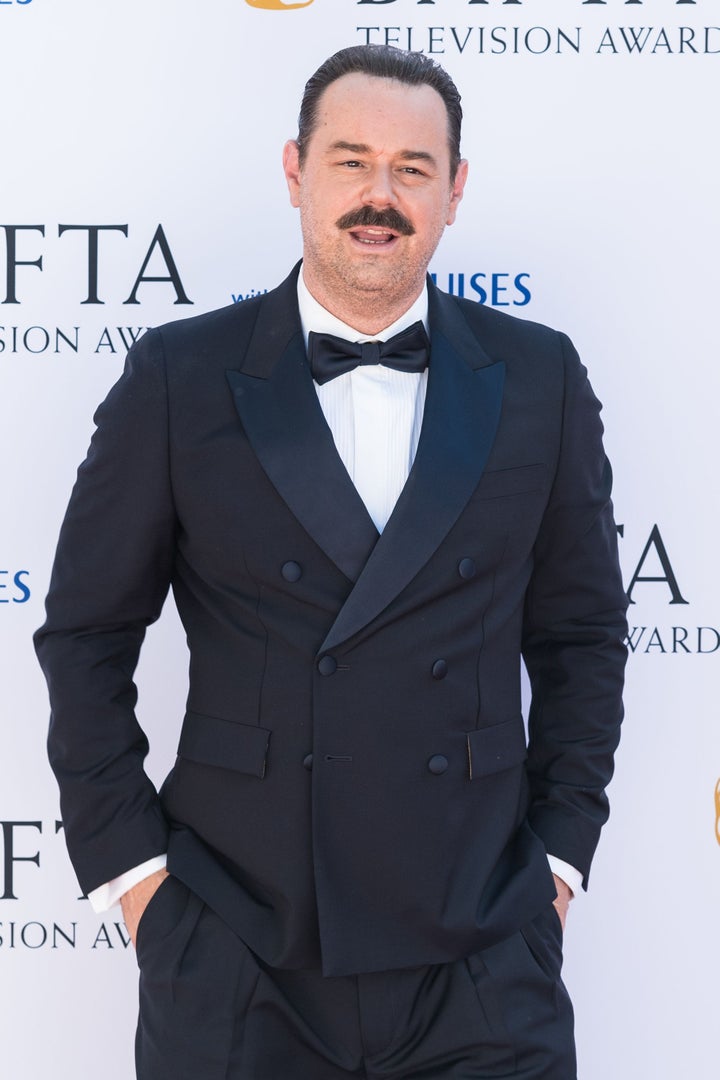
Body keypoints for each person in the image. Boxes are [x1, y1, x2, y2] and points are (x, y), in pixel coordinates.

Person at [35, 44, 627, 1080]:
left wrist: (559, 864)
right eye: (351, 160)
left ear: (454, 190)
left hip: (484, 948)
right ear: (296, 171)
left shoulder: (540, 376)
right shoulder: (180, 376)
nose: (378, 195)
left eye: (412, 167)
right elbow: (87, 635)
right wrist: (136, 879)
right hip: (236, 944)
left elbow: (582, 636)